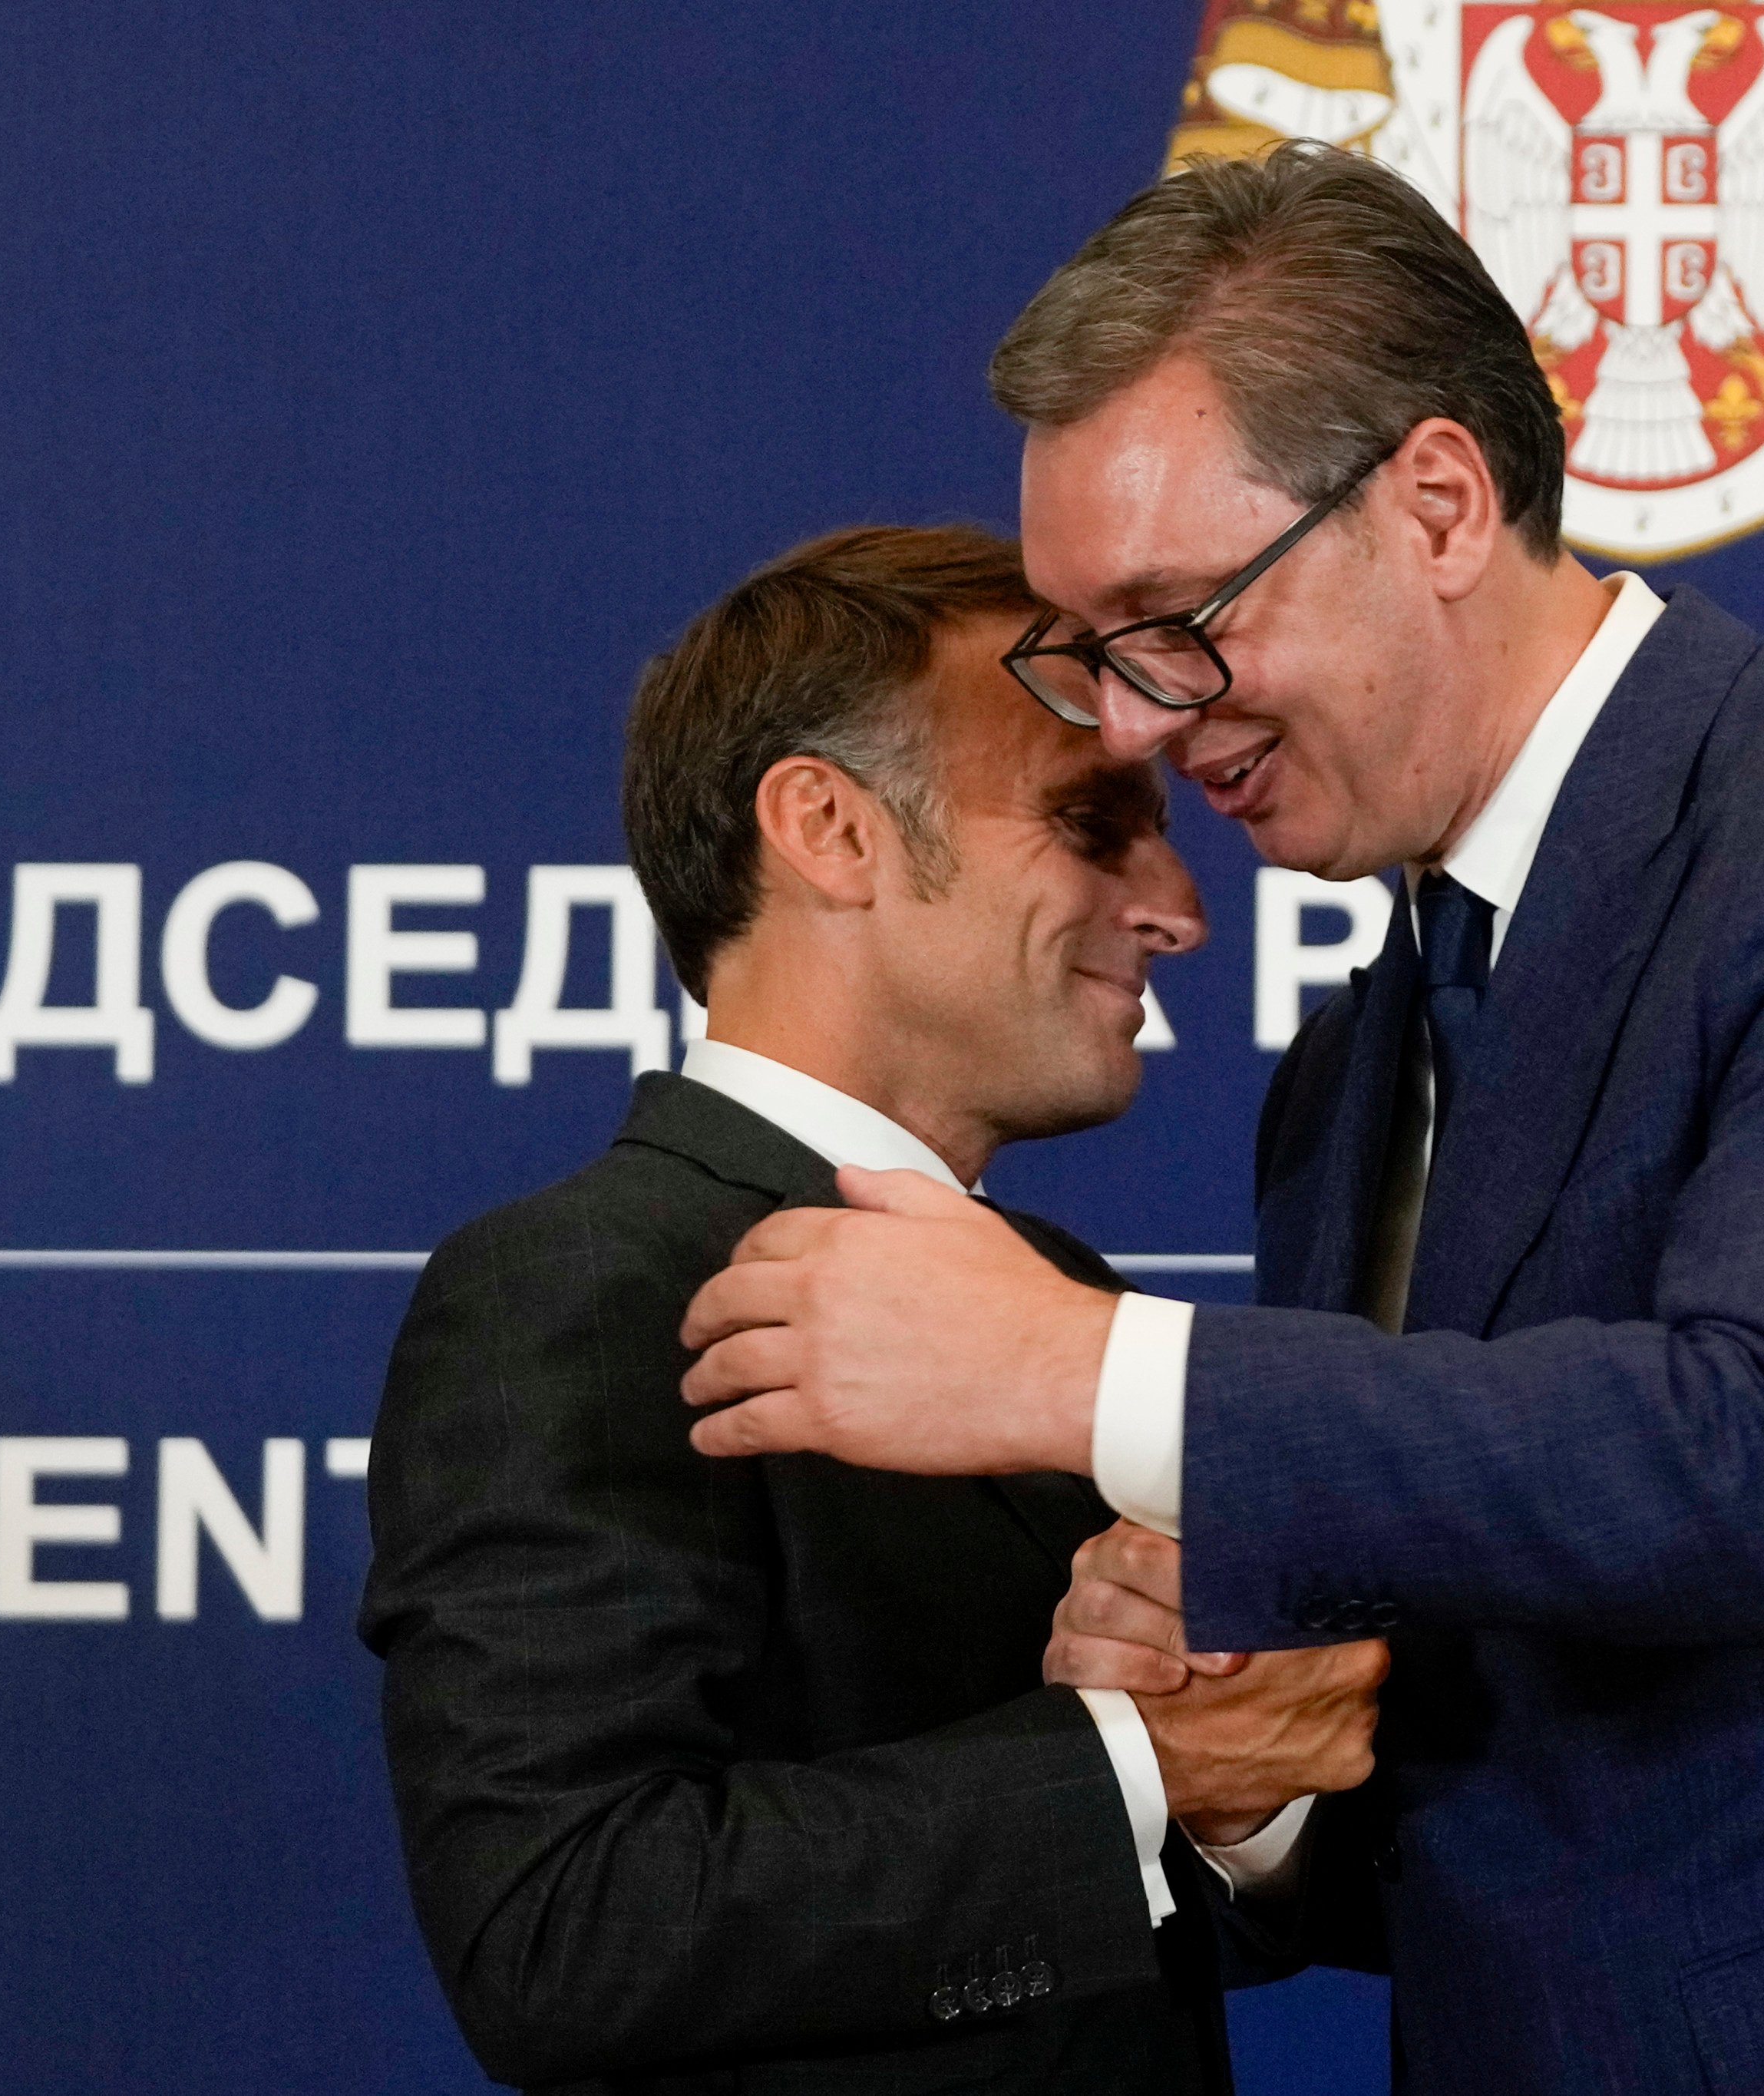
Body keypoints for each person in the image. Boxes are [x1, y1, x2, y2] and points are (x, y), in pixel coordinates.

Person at [674, 151, 1764, 2094]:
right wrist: (1248, 1744)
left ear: (1432, 501)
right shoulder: (1348, 1074)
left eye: (1178, 617)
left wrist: (1084, 1371)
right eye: (1089, 652)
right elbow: (1490, 1722)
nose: (1137, 726)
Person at [356, 523, 1386, 2095]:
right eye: (1094, 820)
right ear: (829, 829)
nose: (1178, 905)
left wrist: (1243, 1795)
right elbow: (564, 1931)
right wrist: (1134, 1765)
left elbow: (1133, 1933)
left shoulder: (1067, 1311)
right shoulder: (581, 1285)